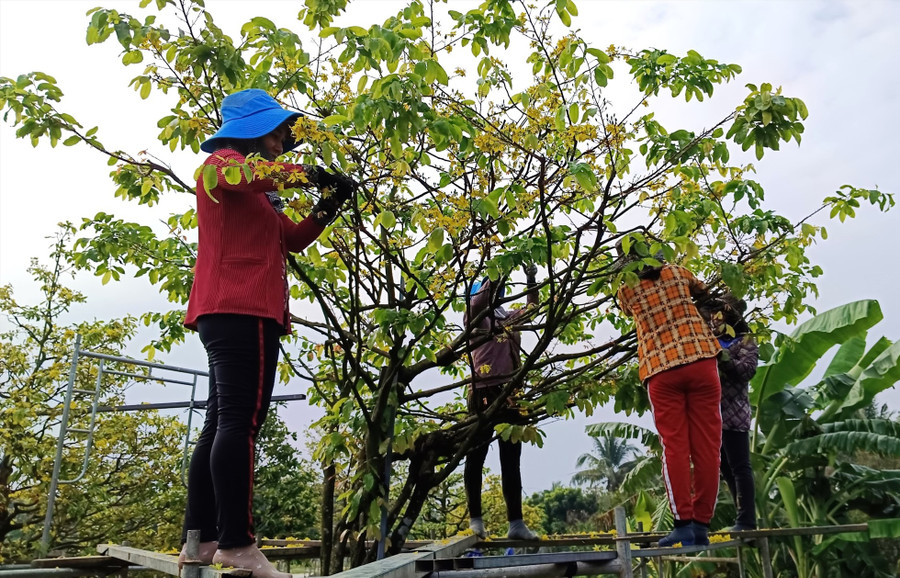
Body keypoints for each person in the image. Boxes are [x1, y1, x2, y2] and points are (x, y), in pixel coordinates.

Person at [179, 89, 356, 578]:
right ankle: (237, 543)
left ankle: (200, 540)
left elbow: (291, 239)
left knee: (221, 422)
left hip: (231, 311)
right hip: (243, 307)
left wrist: (329, 203)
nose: (283, 141)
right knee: (240, 423)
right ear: (251, 130)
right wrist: (312, 173)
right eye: (277, 131)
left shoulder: (257, 190)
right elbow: (249, 175)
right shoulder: (221, 165)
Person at [615, 246, 721, 547]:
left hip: (661, 369)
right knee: (708, 447)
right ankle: (702, 526)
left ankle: (683, 524)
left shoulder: (627, 291)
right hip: (701, 359)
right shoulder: (677, 271)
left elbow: (625, 309)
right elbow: (703, 290)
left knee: (674, 447)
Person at [463, 265, 540, 541]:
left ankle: (516, 523)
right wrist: (500, 266)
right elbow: (481, 299)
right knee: (476, 454)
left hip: (510, 393)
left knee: (511, 459)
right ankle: (476, 520)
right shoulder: (475, 316)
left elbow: (533, 307)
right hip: (484, 392)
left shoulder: (506, 317)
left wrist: (531, 279)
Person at [698, 294, 759, 532]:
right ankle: (741, 517)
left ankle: (747, 521)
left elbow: (746, 371)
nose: (714, 319)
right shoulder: (711, 339)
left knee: (740, 467)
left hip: (733, 413)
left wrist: (721, 358)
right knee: (725, 468)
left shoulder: (744, 341)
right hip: (711, 415)